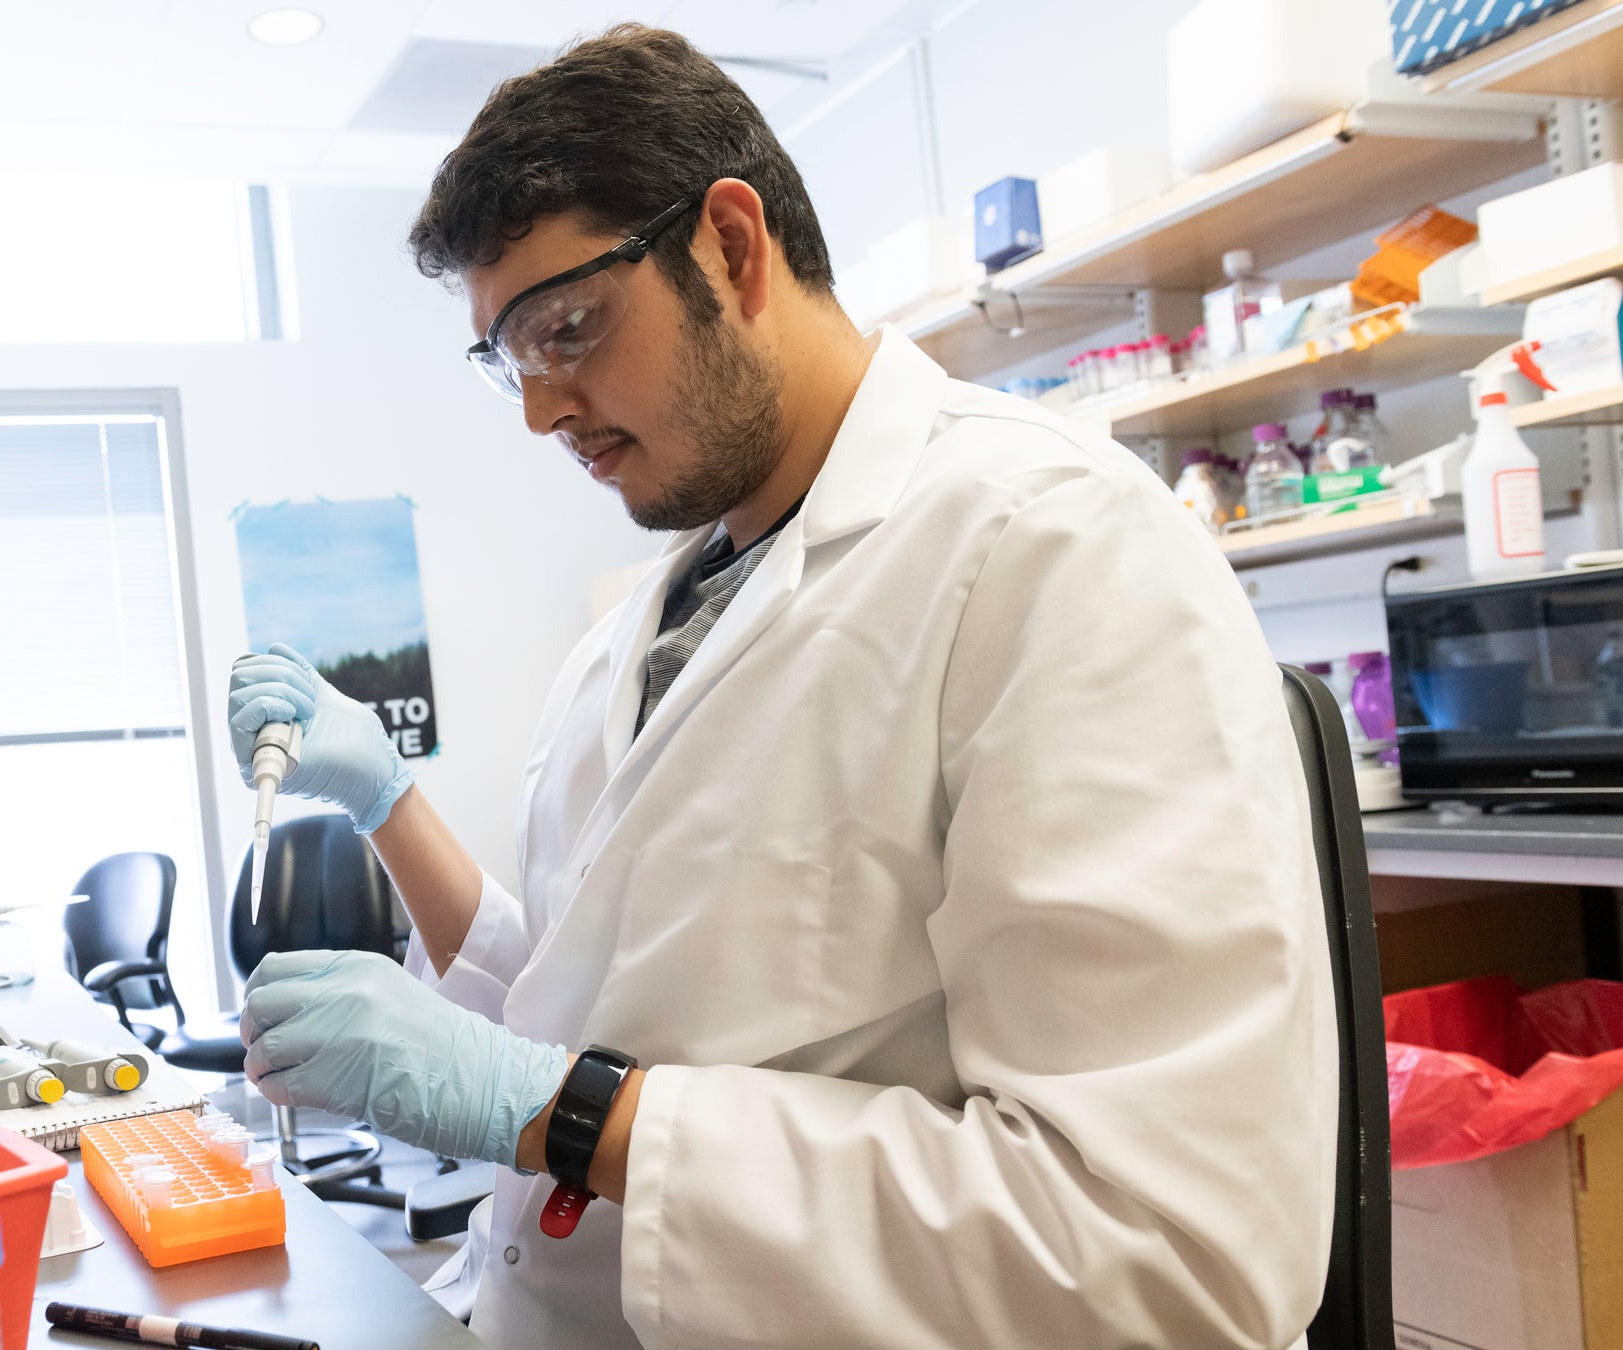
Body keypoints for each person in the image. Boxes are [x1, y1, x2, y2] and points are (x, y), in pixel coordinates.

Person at [227, 25, 1335, 1350]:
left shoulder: (1055, 550)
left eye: (565, 329)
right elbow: (579, 997)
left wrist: (553, 1111)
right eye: (506, 361)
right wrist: (393, 803)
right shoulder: (649, 615)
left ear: (732, 247)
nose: (540, 410)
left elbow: (1163, 1252)